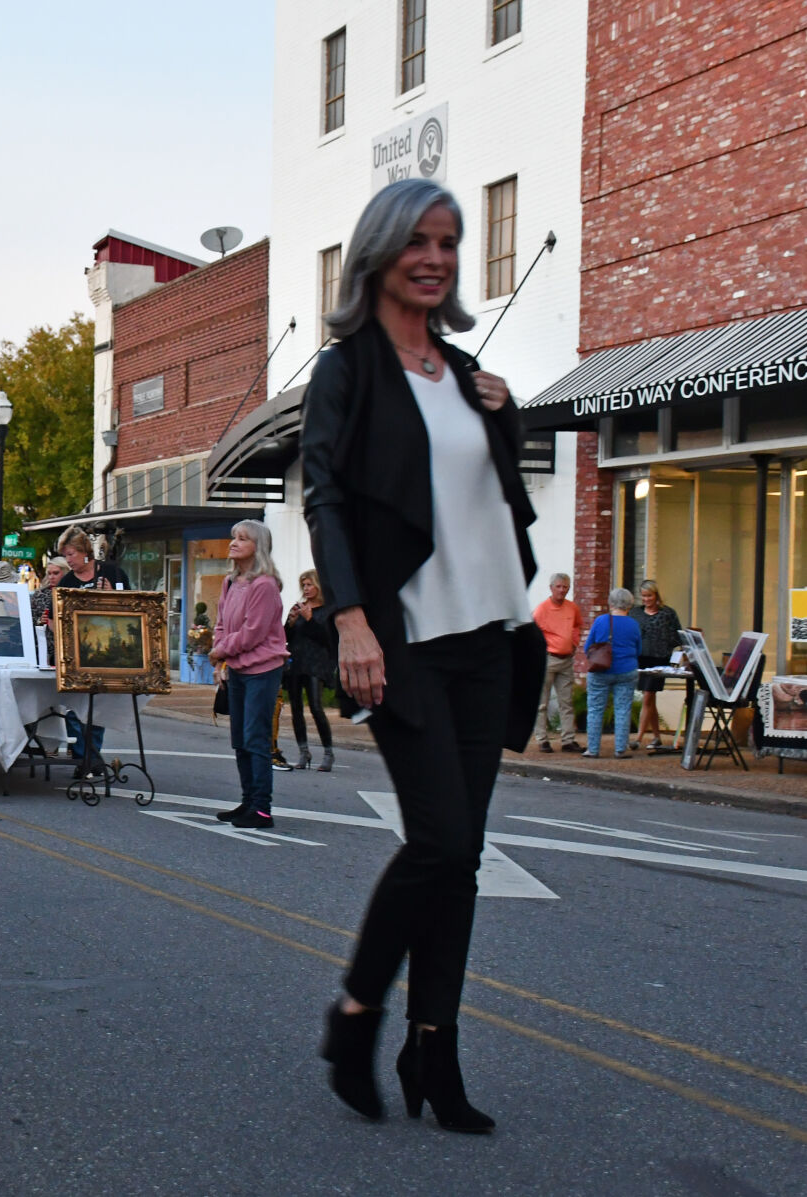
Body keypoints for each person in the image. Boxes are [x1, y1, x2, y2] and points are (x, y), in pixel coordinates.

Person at [303, 178, 544, 1133]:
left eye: (449, 241)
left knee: (462, 859)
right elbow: (324, 495)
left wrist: (506, 410)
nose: (437, 257)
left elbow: (493, 497)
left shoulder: (467, 370)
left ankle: (432, 1049)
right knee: (440, 840)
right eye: (420, 241)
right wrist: (351, 617)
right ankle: (357, 1014)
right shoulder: (350, 370)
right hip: (405, 641)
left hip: (490, 636)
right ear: (380, 252)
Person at [208, 520, 288, 829]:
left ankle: (262, 809)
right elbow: (222, 625)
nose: (234, 543)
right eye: (233, 538)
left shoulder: (264, 585)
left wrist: (221, 651)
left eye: (242, 539)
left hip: (263, 669)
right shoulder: (230, 582)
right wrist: (220, 660)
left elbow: (253, 633)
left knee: (256, 738)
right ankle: (248, 801)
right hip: (238, 668)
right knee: (240, 738)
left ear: (259, 546)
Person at [54, 525, 129, 775]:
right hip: (75, 652)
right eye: (65, 555)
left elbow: (133, 607)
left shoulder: (112, 573)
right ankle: (85, 757)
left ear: (85, 552)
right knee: (74, 709)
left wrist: (110, 596)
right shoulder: (68, 580)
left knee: (97, 711)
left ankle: (90, 757)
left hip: (105, 651)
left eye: (71, 554)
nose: (69, 560)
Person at [285, 568, 337, 772]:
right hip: (296, 663)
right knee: (296, 708)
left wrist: (310, 620)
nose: (306, 589)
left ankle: (328, 752)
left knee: (316, 707)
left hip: (316, 664)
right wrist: (290, 623)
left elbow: (327, 639)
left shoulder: (327, 610)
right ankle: (303, 751)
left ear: (318, 585)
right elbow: (286, 637)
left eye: (309, 585)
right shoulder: (299, 607)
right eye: (303, 585)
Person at [583, 589, 642, 759]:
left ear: (610, 603)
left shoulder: (601, 621)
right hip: (627, 670)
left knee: (595, 709)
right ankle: (620, 749)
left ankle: (593, 749)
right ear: (629, 604)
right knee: (623, 709)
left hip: (601, 671)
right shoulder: (633, 624)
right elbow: (638, 649)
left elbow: (588, 647)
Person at [532, 573, 584, 754]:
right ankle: (542, 739)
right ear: (551, 588)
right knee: (542, 702)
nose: (562, 590)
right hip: (548, 658)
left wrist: (574, 643)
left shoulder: (572, 608)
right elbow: (532, 634)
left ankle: (568, 739)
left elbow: (577, 626)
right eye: (559, 586)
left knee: (566, 701)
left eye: (566, 587)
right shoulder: (541, 610)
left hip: (566, 659)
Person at [633, 580, 683, 752]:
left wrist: (667, 647)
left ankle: (638, 738)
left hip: (659, 660)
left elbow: (678, 635)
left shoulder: (667, 613)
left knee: (648, 696)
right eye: (644, 596)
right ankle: (656, 737)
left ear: (656, 595)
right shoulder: (636, 613)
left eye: (649, 596)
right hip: (642, 659)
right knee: (650, 698)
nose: (646, 599)